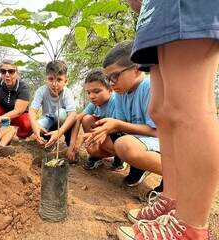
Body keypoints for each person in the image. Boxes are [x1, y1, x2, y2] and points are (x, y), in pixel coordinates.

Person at [117, 1, 219, 240]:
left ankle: (191, 226)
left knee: (187, 104)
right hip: (157, 8)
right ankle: (171, 201)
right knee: (160, 109)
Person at [85, 41, 162, 188]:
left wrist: (117, 124)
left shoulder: (150, 86)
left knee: (124, 144)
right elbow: (121, 123)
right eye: (108, 79)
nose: (111, 83)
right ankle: (138, 167)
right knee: (101, 145)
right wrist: (100, 132)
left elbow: (157, 132)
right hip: (140, 140)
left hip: (163, 142)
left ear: (137, 68)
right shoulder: (121, 92)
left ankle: (177, 177)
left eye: (115, 76)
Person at [67, 69, 126, 170]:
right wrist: (72, 145)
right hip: (104, 135)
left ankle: (120, 157)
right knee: (86, 119)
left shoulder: (117, 102)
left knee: (105, 142)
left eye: (96, 91)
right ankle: (96, 157)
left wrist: (85, 136)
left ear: (110, 89)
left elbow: (119, 128)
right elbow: (78, 119)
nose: (91, 96)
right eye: (88, 92)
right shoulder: (94, 104)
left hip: (119, 136)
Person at [29, 60, 77, 149]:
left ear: (66, 81)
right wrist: (35, 126)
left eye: (59, 79)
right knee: (36, 123)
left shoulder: (67, 93)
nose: (55, 84)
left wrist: (60, 132)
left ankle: (68, 140)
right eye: (51, 79)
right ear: (46, 79)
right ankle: (48, 139)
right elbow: (32, 110)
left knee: (61, 114)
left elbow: (72, 114)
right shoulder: (41, 91)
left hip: (62, 120)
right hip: (48, 119)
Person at [0, 60, 31, 139]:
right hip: (2, 113)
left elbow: (18, 111)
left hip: (17, 116)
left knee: (28, 124)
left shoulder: (23, 87)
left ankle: (16, 135)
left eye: (11, 71)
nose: (7, 74)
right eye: (3, 71)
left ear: (17, 73)